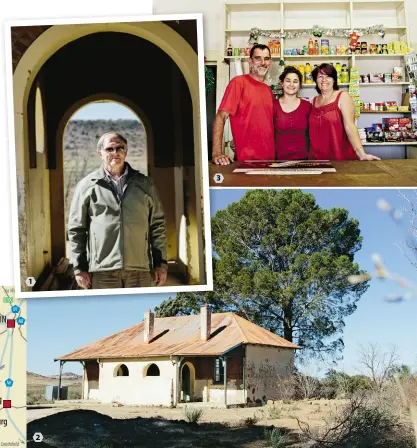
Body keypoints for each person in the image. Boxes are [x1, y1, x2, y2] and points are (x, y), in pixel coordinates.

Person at [67, 132, 168, 290]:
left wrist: (161, 264)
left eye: (120, 148)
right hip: (102, 271)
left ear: (126, 151)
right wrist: (79, 268)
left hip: (140, 270)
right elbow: (76, 229)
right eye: (109, 149)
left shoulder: (145, 184)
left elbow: (157, 226)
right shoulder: (87, 186)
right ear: (100, 153)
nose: (115, 153)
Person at [212, 44, 275, 165]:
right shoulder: (238, 83)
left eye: (266, 59)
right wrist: (217, 153)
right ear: (250, 61)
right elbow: (221, 116)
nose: (263, 62)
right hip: (246, 162)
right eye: (258, 58)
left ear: (270, 62)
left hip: (270, 161)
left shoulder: (268, 90)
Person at [309, 63, 380, 161]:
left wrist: (362, 154)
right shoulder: (313, 101)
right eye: (320, 76)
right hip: (316, 158)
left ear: (334, 79)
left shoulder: (343, 97)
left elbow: (350, 126)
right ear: (316, 80)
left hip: (339, 155)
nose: (324, 80)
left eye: (328, 76)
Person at [274, 66, 311, 160]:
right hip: (278, 160)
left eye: (295, 81)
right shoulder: (273, 106)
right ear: (282, 83)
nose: (291, 84)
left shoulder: (307, 106)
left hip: (303, 160)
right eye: (288, 81)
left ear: (299, 86)